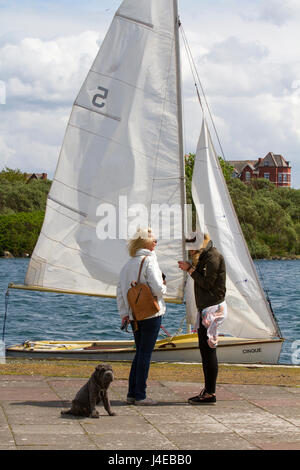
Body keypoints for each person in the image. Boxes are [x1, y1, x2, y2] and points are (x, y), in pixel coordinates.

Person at [117, 227, 166, 405]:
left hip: (134, 315)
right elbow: (158, 289)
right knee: (145, 354)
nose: (156, 242)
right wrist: (164, 287)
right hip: (151, 314)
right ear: (146, 242)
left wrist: (124, 313)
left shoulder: (128, 264)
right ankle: (140, 395)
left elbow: (120, 292)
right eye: (153, 239)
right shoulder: (150, 261)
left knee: (139, 353)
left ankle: (132, 393)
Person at [178, 232, 226, 404]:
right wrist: (192, 267)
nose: (189, 251)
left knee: (209, 351)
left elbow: (207, 283)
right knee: (205, 351)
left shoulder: (213, 258)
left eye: (191, 248)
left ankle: (210, 393)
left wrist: (190, 269)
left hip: (212, 309)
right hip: (207, 308)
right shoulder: (206, 256)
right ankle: (208, 390)